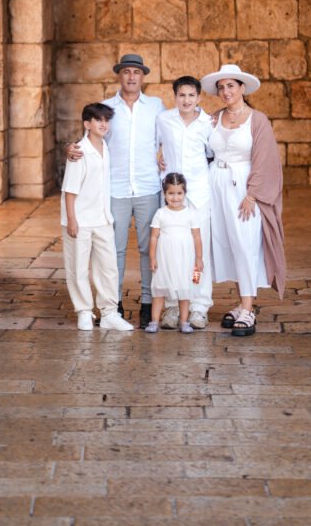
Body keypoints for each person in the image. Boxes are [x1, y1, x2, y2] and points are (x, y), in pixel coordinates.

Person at [66, 54, 164, 329]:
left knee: (148, 248)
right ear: (119, 76)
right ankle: (114, 305)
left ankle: (147, 303)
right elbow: (89, 138)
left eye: (136, 72)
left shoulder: (156, 106)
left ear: (143, 76)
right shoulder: (107, 108)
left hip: (147, 186)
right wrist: (68, 147)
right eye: (126, 72)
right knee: (113, 251)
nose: (132, 77)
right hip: (116, 189)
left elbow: (167, 137)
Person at [200, 63, 285, 337]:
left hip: (243, 190)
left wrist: (253, 195)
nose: (225, 92)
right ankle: (241, 302)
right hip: (216, 186)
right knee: (226, 243)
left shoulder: (256, 120)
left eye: (231, 86)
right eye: (221, 87)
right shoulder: (213, 119)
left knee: (245, 242)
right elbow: (196, 145)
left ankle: (248, 308)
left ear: (242, 88)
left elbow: (266, 159)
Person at [60, 102, 133, 332]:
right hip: (80, 219)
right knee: (78, 267)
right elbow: (69, 190)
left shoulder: (105, 148)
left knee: (108, 267)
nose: (103, 124)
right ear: (87, 124)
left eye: (106, 120)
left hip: (103, 218)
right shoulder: (79, 152)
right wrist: (72, 220)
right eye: (98, 120)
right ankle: (83, 312)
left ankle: (110, 312)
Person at [156, 76, 213, 329]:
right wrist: (158, 161)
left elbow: (212, 154)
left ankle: (199, 306)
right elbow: (153, 146)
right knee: (169, 251)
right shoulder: (164, 120)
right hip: (171, 196)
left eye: (191, 95)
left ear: (199, 97)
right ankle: (171, 305)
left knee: (199, 252)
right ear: (175, 96)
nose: (186, 100)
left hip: (198, 195)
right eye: (181, 95)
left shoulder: (208, 123)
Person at [146, 173, 203, 334]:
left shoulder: (191, 213)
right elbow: (154, 237)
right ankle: (154, 321)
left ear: (185, 194)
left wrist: (199, 258)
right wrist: (152, 257)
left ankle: (184, 321)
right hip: (164, 257)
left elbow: (197, 236)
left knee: (185, 289)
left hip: (185, 257)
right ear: (164, 194)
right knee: (159, 288)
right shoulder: (160, 213)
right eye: (171, 193)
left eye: (179, 193)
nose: (175, 197)